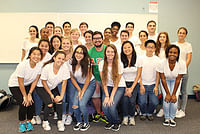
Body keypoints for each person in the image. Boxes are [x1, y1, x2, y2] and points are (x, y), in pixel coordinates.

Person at [8, 47, 43, 133]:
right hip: (15, 85)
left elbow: (35, 81)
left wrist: (30, 93)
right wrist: (24, 96)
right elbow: (20, 82)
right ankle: (22, 123)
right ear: (30, 55)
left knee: (31, 102)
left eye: (38, 55)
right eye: (34, 54)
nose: (36, 56)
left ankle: (29, 121)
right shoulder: (23, 65)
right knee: (24, 103)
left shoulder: (40, 65)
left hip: (27, 84)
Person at [36, 50, 70, 131]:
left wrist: (61, 96)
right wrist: (50, 94)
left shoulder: (64, 67)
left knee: (59, 101)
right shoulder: (47, 67)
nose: (61, 61)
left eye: (63, 59)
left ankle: (60, 121)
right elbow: (43, 82)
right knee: (49, 103)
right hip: (41, 87)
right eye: (59, 58)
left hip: (52, 87)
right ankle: (45, 121)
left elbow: (64, 83)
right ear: (54, 58)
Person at [157, 45, 186, 127]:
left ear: (178, 54)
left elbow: (178, 79)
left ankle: (172, 118)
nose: (172, 54)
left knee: (174, 100)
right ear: (167, 53)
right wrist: (168, 93)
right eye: (170, 52)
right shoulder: (161, 63)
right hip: (165, 81)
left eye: (175, 53)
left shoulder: (182, 63)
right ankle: (166, 118)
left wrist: (173, 94)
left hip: (175, 81)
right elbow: (162, 79)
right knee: (166, 100)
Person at [99, 44, 125, 131]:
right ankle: (110, 121)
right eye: (108, 51)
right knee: (105, 106)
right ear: (105, 53)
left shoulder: (119, 64)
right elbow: (103, 82)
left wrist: (111, 97)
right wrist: (107, 96)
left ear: (115, 53)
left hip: (119, 87)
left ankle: (117, 122)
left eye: (112, 52)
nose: (110, 54)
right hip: (107, 86)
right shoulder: (101, 63)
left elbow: (116, 83)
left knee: (112, 106)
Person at [69, 45, 96, 131]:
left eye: (81, 53)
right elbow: (72, 78)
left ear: (84, 55)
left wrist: (82, 92)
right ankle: (79, 121)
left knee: (82, 103)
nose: (79, 55)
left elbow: (88, 78)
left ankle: (86, 122)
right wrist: (79, 90)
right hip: (79, 85)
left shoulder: (87, 62)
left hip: (90, 84)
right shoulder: (71, 62)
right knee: (75, 104)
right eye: (77, 52)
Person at [121, 41, 142, 126]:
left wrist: (131, 88)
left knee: (132, 100)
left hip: (134, 83)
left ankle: (132, 117)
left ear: (132, 48)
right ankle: (125, 117)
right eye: (125, 48)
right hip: (123, 83)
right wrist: (126, 87)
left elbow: (138, 75)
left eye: (129, 47)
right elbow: (119, 75)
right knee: (125, 100)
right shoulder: (120, 60)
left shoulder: (138, 59)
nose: (127, 49)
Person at [31, 39, 52, 125]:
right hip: (33, 80)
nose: (44, 48)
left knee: (40, 98)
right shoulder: (35, 54)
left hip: (43, 82)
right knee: (35, 98)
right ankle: (35, 115)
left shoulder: (49, 57)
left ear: (48, 47)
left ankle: (38, 114)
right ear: (38, 46)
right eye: (42, 46)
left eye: (46, 46)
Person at [138, 40, 160, 121]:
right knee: (142, 102)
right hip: (142, 84)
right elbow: (138, 74)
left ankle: (149, 113)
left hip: (153, 85)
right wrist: (141, 85)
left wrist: (156, 86)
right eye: (148, 47)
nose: (150, 49)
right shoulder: (141, 58)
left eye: (152, 47)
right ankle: (143, 112)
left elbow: (158, 74)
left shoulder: (157, 60)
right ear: (145, 48)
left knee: (155, 102)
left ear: (155, 49)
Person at [88, 31, 107, 123]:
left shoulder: (107, 49)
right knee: (95, 95)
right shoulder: (90, 52)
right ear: (92, 40)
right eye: (95, 39)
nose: (97, 40)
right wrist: (95, 81)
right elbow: (89, 69)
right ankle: (99, 113)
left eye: (99, 38)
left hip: (107, 79)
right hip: (95, 78)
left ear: (102, 39)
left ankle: (106, 112)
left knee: (106, 95)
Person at [173, 27, 192, 118]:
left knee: (183, 90)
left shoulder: (188, 45)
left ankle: (183, 109)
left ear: (185, 35)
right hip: (175, 70)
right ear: (177, 33)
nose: (181, 34)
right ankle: (176, 108)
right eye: (180, 32)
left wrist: (183, 68)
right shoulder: (174, 44)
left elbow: (188, 58)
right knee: (176, 90)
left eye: (183, 33)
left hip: (184, 70)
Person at [59, 37, 74, 125]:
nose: (65, 45)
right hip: (61, 79)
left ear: (71, 44)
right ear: (61, 44)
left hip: (72, 79)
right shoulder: (57, 54)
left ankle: (70, 115)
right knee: (63, 97)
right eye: (64, 43)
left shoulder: (75, 54)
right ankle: (63, 113)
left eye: (67, 43)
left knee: (71, 97)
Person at [155, 32, 170, 117]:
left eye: (164, 37)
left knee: (166, 91)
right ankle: (161, 108)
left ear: (166, 38)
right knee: (160, 91)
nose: (162, 38)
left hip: (166, 73)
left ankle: (165, 109)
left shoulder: (169, 48)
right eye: (160, 37)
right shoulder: (156, 48)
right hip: (157, 72)